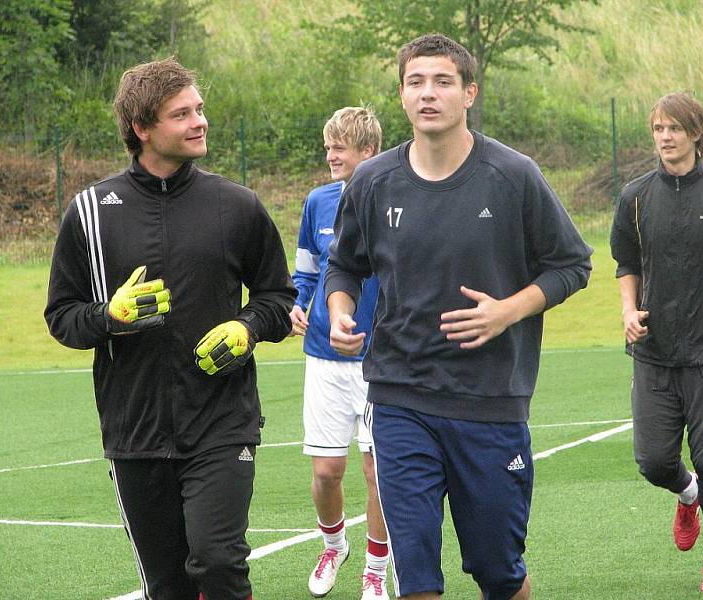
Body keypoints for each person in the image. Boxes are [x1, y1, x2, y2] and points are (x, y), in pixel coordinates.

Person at [324, 34, 592, 600]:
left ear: (469, 93)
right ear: (401, 95)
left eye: (443, 81)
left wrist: (507, 311)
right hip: (399, 398)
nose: (428, 94)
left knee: (499, 573)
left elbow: (572, 265)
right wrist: (339, 312)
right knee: (416, 578)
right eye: (415, 82)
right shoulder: (371, 182)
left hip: (491, 401)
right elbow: (344, 266)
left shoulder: (513, 175)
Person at [44, 57, 296, 600]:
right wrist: (108, 317)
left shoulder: (237, 206)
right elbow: (62, 317)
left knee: (219, 563)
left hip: (222, 423)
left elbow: (279, 298)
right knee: (168, 586)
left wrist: (247, 328)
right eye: (182, 114)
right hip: (134, 431)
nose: (200, 121)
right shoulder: (90, 212)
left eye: (200, 109)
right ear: (141, 128)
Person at [610, 91, 703, 593]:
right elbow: (625, 263)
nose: (665, 137)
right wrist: (626, 311)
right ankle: (687, 500)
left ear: (695, 134)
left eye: (674, 128)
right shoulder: (635, 197)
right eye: (658, 128)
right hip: (654, 353)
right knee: (654, 461)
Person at [289, 106, 390, 599]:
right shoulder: (317, 202)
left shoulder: (396, 198)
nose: (330, 154)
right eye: (328, 145)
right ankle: (334, 544)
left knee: (377, 473)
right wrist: (295, 303)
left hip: (381, 362)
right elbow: (306, 270)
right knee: (327, 471)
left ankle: (377, 567)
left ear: (367, 152)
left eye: (340, 146)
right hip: (323, 359)